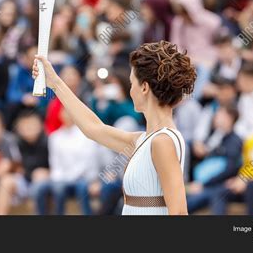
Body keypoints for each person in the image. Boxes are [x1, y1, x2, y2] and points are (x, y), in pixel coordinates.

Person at [33, 40, 196, 215]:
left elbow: (179, 212)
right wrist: (55, 83)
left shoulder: (162, 141)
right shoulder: (144, 140)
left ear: (144, 88)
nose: (130, 89)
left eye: (132, 83)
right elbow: (93, 128)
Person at [34, 108, 101, 215]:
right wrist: (58, 179)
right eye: (63, 111)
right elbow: (55, 163)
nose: (66, 114)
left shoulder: (87, 136)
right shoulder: (54, 137)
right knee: (39, 188)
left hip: (81, 179)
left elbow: (88, 162)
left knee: (79, 187)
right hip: (60, 178)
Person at [186, 105, 242, 213]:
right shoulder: (217, 137)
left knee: (189, 203)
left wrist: (204, 185)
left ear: (229, 118)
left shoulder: (234, 141)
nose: (216, 117)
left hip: (217, 186)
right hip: (205, 184)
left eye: (220, 114)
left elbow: (229, 169)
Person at [0, 111, 49, 215]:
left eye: (32, 124)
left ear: (40, 125)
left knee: (40, 176)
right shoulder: (14, 142)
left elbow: (58, 167)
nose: (29, 128)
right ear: (19, 128)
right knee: (5, 181)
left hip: (45, 181)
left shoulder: (50, 141)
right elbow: (15, 166)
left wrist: (47, 172)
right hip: (24, 179)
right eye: (25, 125)